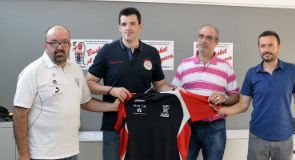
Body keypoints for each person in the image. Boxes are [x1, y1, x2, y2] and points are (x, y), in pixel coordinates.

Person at [13, 26, 119, 160]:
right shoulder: (32, 72)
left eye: (64, 42)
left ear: (70, 45)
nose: (59, 47)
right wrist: (23, 154)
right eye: (54, 42)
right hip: (42, 154)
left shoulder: (76, 70)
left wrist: (113, 107)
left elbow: (86, 102)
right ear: (46, 46)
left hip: (71, 152)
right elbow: (19, 113)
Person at [86, 7, 176, 160]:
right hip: (113, 126)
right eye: (124, 24)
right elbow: (89, 83)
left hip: (144, 125)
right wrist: (111, 90)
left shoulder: (152, 53)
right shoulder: (107, 51)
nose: (128, 28)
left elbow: (160, 85)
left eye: (132, 23)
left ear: (140, 26)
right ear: (119, 27)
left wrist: (175, 91)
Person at [218, 30, 295, 160]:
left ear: (279, 47)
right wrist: (220, 110)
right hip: (258, 136)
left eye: (271, 45)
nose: (266, 49)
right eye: (263, 46)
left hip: (284, 137)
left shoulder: (292, 70)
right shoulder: (251, 74)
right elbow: (243, 105)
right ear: (259, 48)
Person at [171, 25, 240, 160]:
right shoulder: (184, 65)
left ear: (216, 42)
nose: (204, 40)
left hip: (215, 127)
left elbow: (235, 96)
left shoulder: (226, 67)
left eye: (209, 37)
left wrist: (223, 98)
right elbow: (173, 92)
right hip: (188, 125)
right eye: (201, 36)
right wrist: (176, 91)